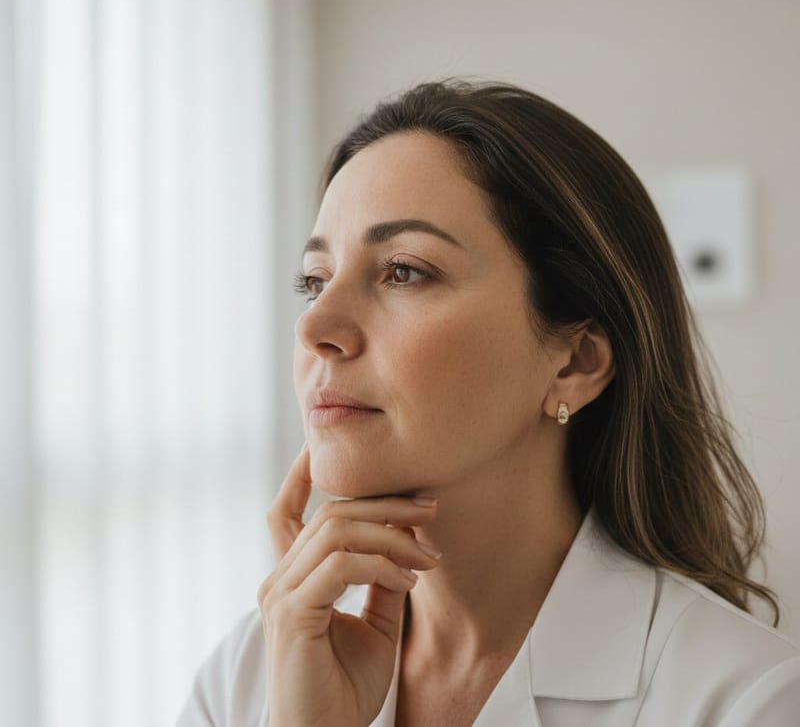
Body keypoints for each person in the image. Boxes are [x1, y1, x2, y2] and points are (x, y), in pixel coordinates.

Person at [177, 80, 800, 726]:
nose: (315, 327)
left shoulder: (750, 700)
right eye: (314, 280)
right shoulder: (245, 679)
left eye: (404, 270)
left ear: (576, 361)